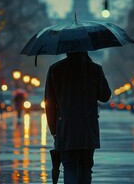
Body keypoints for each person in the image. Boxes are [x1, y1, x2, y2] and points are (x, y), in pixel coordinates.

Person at [45, 51, 111, 184]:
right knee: (86, 168)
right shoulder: (94, 69)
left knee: (69, 167)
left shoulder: (55, 69)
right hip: (87, 129)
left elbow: (50, 104)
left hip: (65, 128)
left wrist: (54, 130)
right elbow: (105, 96)